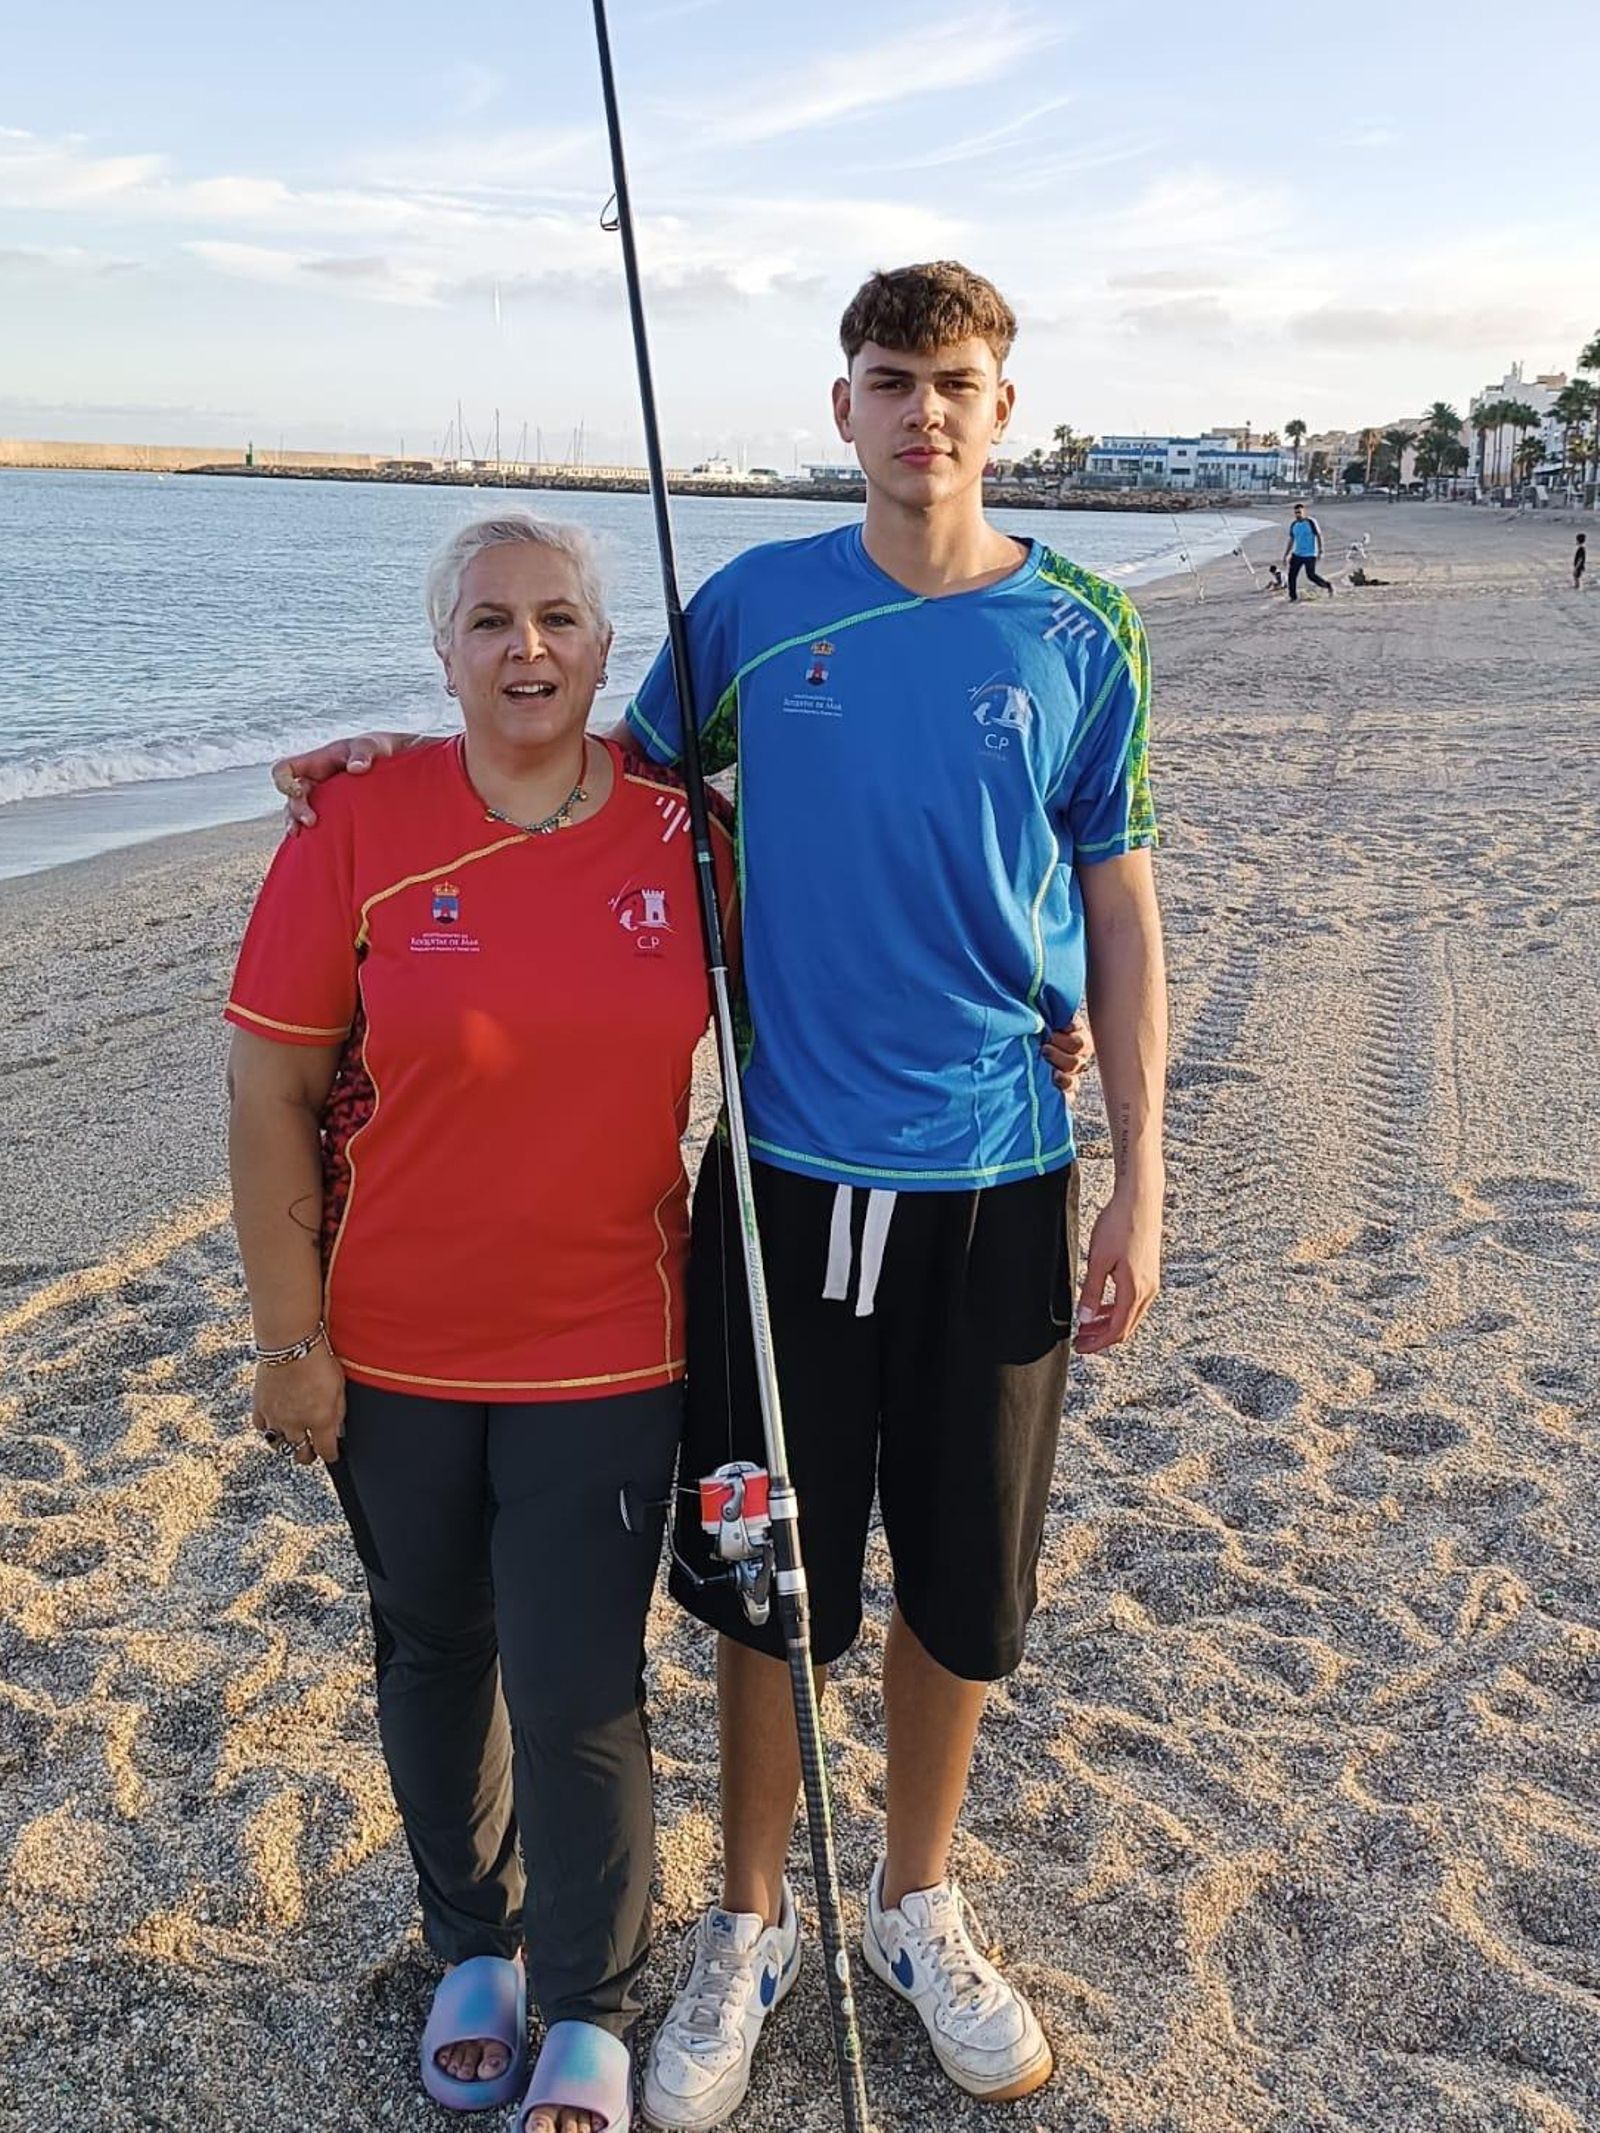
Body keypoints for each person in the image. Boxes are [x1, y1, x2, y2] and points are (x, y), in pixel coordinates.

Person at [274, 259, 1164, 2128]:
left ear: (1006, 409)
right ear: (838, 406)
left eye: (958, 381)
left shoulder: (1084, 629)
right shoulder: (753, 609)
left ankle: (917, 1895)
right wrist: (391, 763)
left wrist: (1139, 1173)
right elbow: (588, 775)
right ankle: (748, 1919)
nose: (926, 410)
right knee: (771, 1563)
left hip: (1003, 1174)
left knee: (963, 1575)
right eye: (891, 378)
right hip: (778, 1186)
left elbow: (1118, 895)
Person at [229, 514, 738, 2133]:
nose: (529, 648)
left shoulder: (689, 835)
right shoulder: (359, 820)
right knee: (434, 1648)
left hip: (610, 1340)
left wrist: (1044, 1014)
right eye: (492, 622)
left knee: (580, 1675)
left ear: (606, 648)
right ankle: (473, 1947)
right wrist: (286, 1334)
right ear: (442, 648)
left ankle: (585, 1999)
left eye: (561, 619)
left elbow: (857, 966)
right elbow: (271, 1085)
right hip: (391, 1353)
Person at [1284, 503, 1334, 600]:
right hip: (1297, 554)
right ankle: (1293, 597)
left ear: (1304, 512)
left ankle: (1328, 585)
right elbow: (1291, 540)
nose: (1298, 514)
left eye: (1299, 512)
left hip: (1310, 554)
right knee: (1291, 576)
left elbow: (1319, 536)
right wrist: (1286, 554)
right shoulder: (1294, 524)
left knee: (1311, 575)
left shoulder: (1311, 522)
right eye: (1296, 513)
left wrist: (1321, 551)